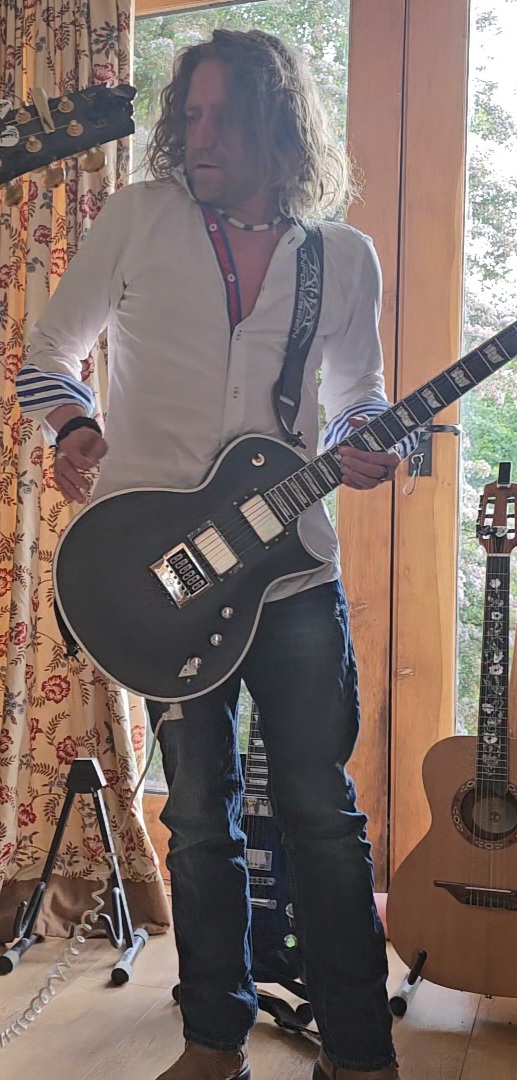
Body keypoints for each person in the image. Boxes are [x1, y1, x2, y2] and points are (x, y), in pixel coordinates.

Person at [16, 30, 413, 1080]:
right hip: (164, 580)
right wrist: (75, 426)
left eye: (223, 117)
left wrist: (367, 440)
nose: (198, 136)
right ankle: (212, 1042)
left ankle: (360, 1053)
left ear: (279, 125)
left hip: (293, 573)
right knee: (196, 816)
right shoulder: (140, 218)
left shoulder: (342, 256)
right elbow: (46, 354)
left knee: (322, 815)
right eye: (187, 115)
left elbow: (358, 394)